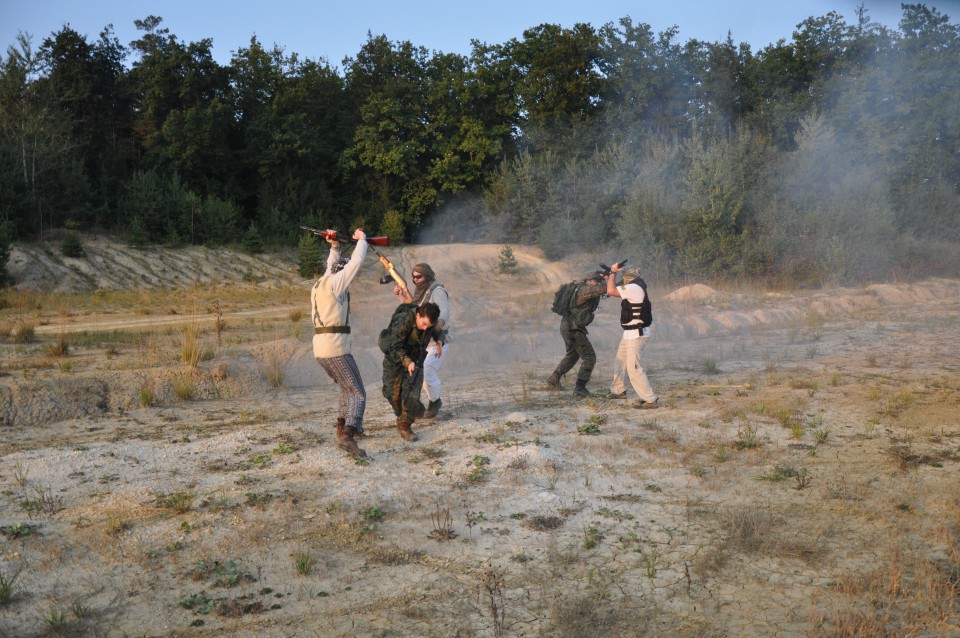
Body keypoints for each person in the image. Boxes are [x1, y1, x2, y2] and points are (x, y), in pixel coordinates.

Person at [310, 228, 369, 458]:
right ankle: (348, 435)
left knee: (346, 388)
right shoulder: (336, 283)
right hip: (336, 348)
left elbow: (330, 267)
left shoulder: (322, 283)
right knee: (358, 392)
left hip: (322, 349)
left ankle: (342, 426)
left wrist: (334, 247)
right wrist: (361, 241)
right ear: (340, 273)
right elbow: (356, 262)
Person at [394, 263, 450, 418]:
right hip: (422, 342)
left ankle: (435, 402)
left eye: (419, 276)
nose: (415, 280)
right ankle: (418, 407)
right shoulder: (423, 293)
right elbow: (414, 312)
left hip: (436, 341)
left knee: (427, 371)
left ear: (428, 276)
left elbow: (444, 312)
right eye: (413, 277)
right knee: (416, 373)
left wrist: (438, 328)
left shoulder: (437, 291)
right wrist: (401, 297)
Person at [381, 301, 441, 441]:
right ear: (418, 315)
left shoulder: (429, 325)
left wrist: (439, 342)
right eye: (424, 324)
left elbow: (438, 332)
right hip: (395, 360)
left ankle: (405, 426)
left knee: (412, 393)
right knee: (391, 393)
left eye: (429, 326)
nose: (425, 328)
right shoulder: (404, 320)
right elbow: (395, 346)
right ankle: (411, 410)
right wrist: (407, 361)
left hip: (416, 361)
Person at [605, 263, 659, 409]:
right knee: (620, 362)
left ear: (628, 278)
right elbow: (611, 288)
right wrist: (608, 277)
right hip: (630, 332)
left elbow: (610, 290)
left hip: (637, 333)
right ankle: (618, 391)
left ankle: (649, 400)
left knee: (633, 368)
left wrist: (612, 272)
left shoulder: (634, 287)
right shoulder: (634, 286)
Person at [546, 271, 608, 397]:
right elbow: (605, 289)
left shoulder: (580, 288)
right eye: (596, 281)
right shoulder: (585, 290)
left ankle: (554, 378)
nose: (598, 283)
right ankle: (580, 388)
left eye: (598, 281)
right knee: (589, 357)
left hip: (568, 327)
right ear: (588, 280)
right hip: (573, 328)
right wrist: (611, 278)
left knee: (573, 355)